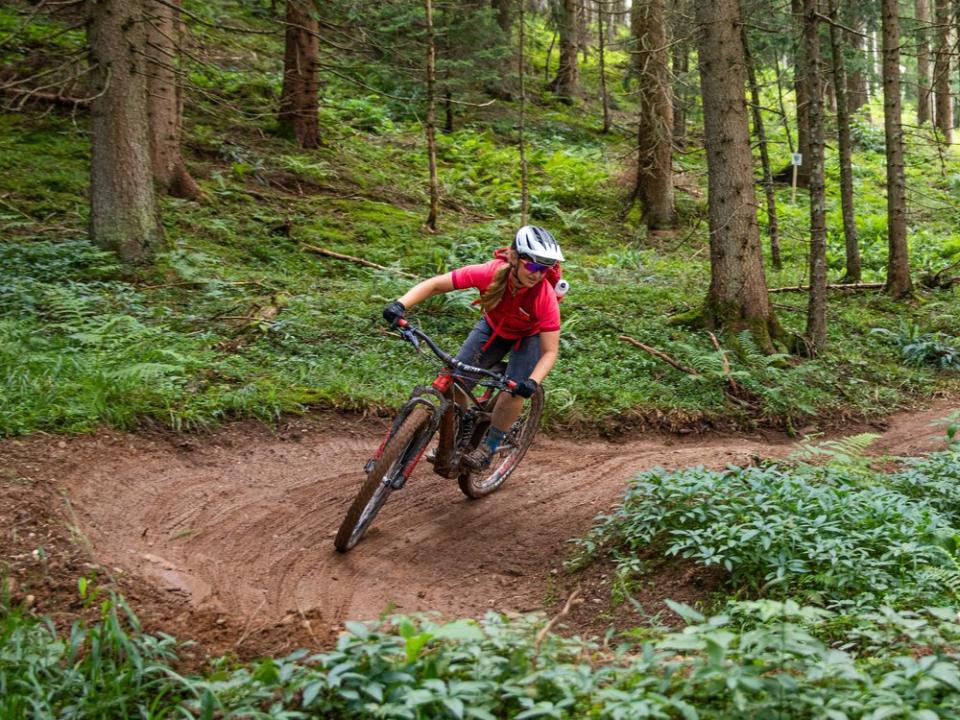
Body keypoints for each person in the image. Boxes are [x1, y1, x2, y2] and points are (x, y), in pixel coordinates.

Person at [382, 225, 564, 471]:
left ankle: (489, 447)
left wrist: (531, 383)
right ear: (513, 257)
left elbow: (550, 351)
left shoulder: (544, 296)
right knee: (455, 380)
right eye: (532, 265)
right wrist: (400, 305)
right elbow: (436, 285)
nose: (537, 274)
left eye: (545, 269)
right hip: (493, 328)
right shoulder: (489, 273)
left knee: (514, 391)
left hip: (529, 337)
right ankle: (461, 428)